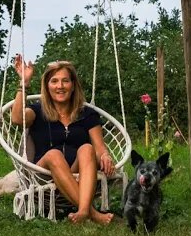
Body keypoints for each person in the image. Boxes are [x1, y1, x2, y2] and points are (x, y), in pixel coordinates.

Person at [10, 54, 115, 225]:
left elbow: (99, 147)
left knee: (87, 148)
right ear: (47, 86)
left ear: (73, 86)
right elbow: (16, 119)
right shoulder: (37, 111)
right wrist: (24, 83)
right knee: (54, 154)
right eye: (54, 81)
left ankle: (82, 212)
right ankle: (92, 213)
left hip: (77, 171)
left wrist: (105, 155)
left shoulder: (87, 114)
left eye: (65, 81)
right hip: (43, 173)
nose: (60, 86)